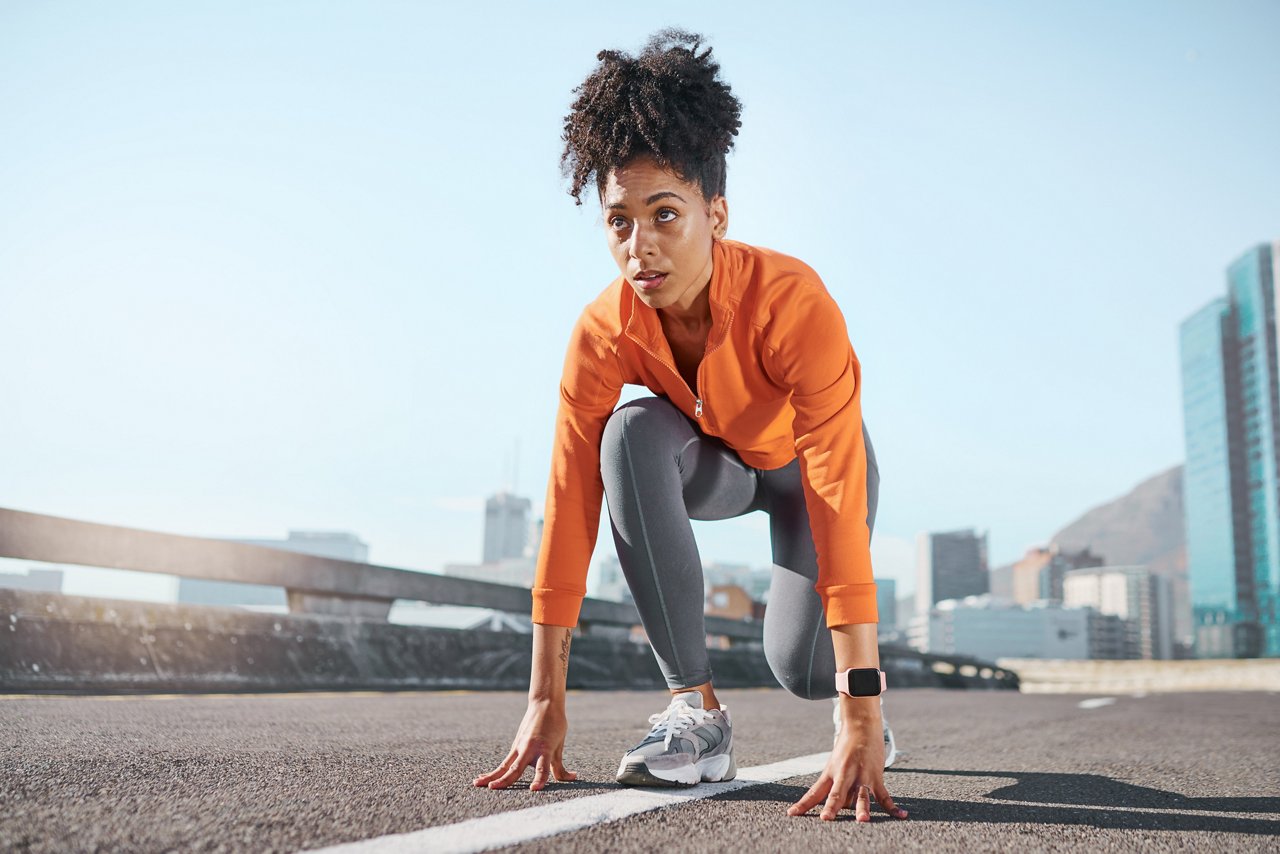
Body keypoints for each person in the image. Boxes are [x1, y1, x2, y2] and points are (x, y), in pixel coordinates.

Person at [473, 29, 908, 823]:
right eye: (619, 222)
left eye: (665, 215)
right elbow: (570, 502)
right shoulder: (603, 334)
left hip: (810, 473)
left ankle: (854, 689)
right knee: (628, 434)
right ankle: (697, 715)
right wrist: (543, 697)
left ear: (716, 213)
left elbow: (838, 492)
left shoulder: (792, 303)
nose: (641, 248)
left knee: (807, 672)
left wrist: (861, 710)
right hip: (721, 465)